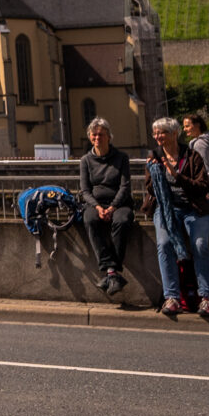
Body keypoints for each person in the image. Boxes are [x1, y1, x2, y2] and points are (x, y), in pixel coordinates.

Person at [146, 117, 209, 318]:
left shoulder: (192, 156)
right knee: (164, 244)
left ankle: (207, 297)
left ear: (174, 134)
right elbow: (151, 190)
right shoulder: (154, 156)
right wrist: (155, 173)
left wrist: (176, 176)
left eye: (163, 132)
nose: (158, 137)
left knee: (200, 245)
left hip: (193, 208)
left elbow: (203, 186)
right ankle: (172, 297)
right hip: (166, 209)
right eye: (156, 133)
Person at [76, 119, 133, 297]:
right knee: (90, 219)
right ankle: (112, 272)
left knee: (122, 221)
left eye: (101, 134)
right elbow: (85, 190)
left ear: (109, 136)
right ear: (90, 137)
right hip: (97, 203)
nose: (97, 137)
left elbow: (125, 186)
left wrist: (113, 207)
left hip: (119, 203)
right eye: (94, 134)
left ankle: (110, 272)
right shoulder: (86, 160)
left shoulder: (121, 158)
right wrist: (98, 207)